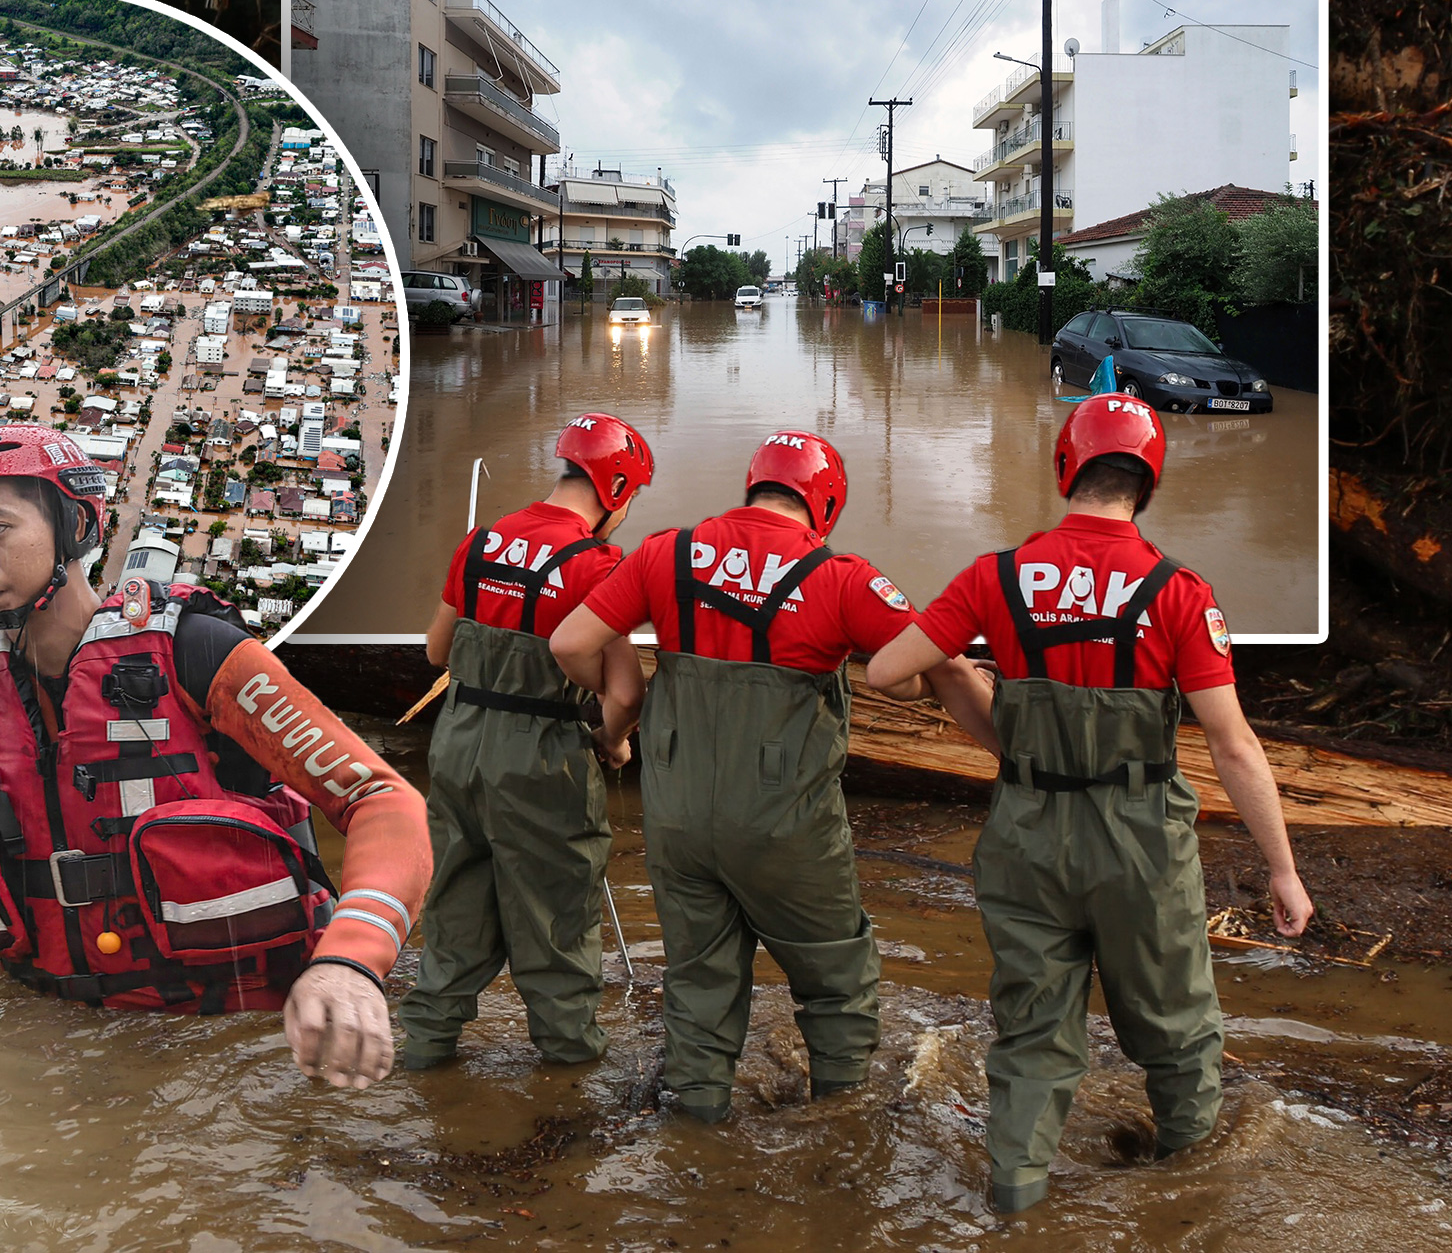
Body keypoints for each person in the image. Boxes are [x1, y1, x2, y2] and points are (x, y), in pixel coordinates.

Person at [0, 424, 431, 1088]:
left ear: (73, 524)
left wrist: (350, 961)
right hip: (52, 1024)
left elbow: (381, 799)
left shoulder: (198, 651)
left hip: (223, 1032)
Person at [865, 394, 1315, 1214]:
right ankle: (1189, 1201)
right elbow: (1233, 743)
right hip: (1140, 839)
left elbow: (889, 670)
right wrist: (1283, 871)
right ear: (1148, 484)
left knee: (1033, 1032)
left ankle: (1016, 1199)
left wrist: (982, 701)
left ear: (1065, 467)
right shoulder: (1179, 590)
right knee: (1177, 1028)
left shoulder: (994, 576)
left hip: (1027, 830)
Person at [548, 431, 994, 1123]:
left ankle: (695, 1130)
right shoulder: (843, 577)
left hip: (679, 819)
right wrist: (1009, 746)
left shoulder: (668, 552)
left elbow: (571, 642)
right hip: (787, 826)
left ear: (753, 485)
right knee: (837, 979)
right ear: (826, 503)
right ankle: (840, 1124)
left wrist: (615, 717)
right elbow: (933, 669)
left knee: (699, 982)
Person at [398, 412, 651, 1068]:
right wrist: (614, 742)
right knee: (557, 917)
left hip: (457, 742)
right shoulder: (598, 563)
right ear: (616, 490)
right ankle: (569, 1081)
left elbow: (436, 650)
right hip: (543, 755)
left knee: (456, 905)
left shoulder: (481, 543)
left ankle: (424, 1052)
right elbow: (624, 693)